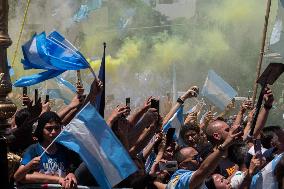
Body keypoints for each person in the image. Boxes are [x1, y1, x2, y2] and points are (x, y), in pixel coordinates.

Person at [14, 111, 80, 189]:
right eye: (49, 128)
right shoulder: (33, 150)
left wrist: (71, 175)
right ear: (41, 129)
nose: (53, 132)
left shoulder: (65, 150)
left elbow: (71, 170)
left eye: (57, 128)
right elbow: (17, 177)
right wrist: (29, 165)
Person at [166, 124, 243, 189]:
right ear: (183, 165)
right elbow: (204, 170)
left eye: (193, 134)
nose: (201, 159)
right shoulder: (182, 179)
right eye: (195, 158)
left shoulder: (206, 148)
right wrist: (224, 146)